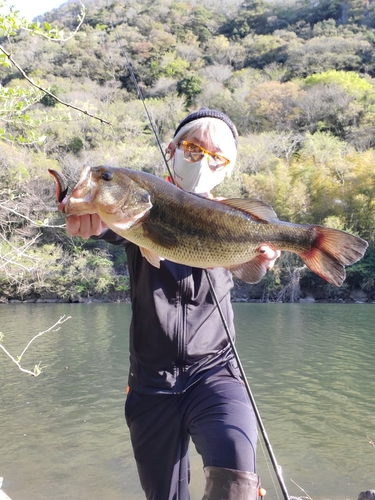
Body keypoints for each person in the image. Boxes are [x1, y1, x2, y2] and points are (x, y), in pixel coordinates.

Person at [61, 108, 279, 500]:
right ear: (172, 149)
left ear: (227, 169)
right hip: (150, 383)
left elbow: (249, 265)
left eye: (217, 158)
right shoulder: (141, 204)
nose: (203, 162)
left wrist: (256, 259)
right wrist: (82, 209)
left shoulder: (234, 219)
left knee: (237, 482)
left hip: (217, 373)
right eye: (194, 149)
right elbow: (109, 221)